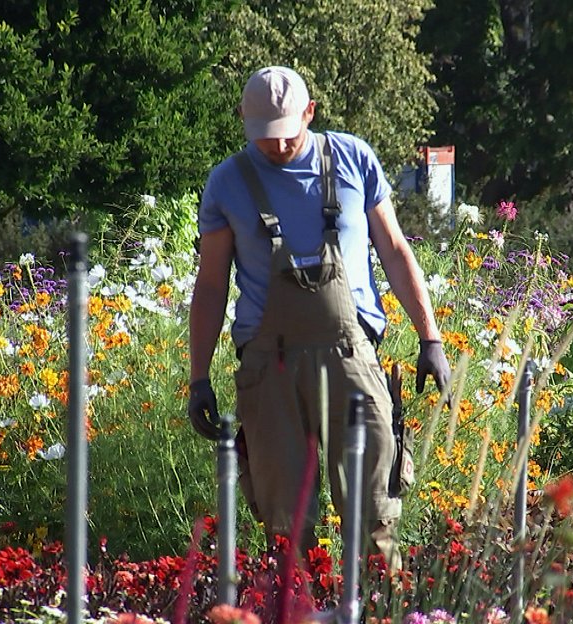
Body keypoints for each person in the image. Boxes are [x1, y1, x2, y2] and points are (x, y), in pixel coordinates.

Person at [186, 66, 450, 569]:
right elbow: (212, 283)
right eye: (264, 137)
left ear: (310, 113)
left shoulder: (353, 159)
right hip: (270, 369)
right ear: (244, 120)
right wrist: (199, 378)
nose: (277, 147)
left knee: (374, 517)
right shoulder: (227, 182)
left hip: (354, 361)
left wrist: (429, 337)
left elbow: (394, 250)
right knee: (287, 529)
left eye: (286, 134)